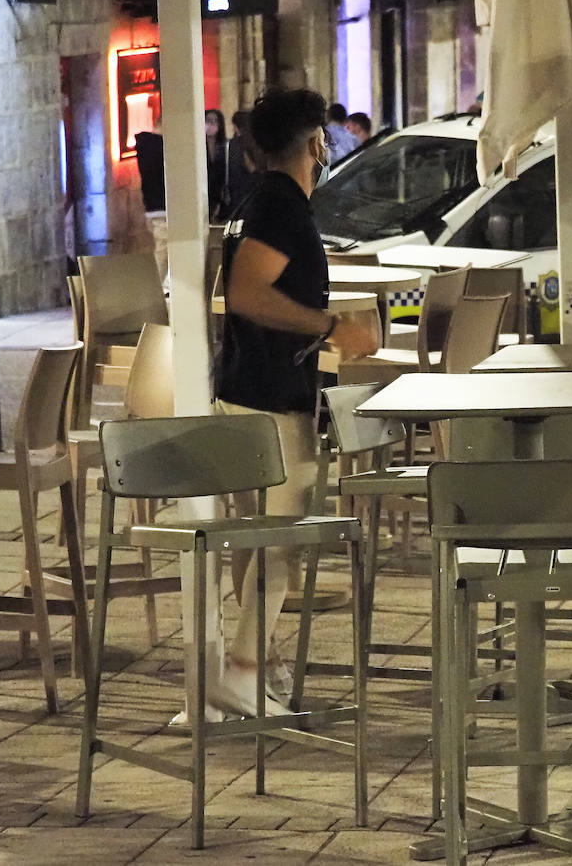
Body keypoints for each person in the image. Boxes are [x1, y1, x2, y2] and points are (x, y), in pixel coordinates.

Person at [211, 87, 379, 717]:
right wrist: (331, 326)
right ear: (314, 143)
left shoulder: (255, 201)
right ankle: (245, 669)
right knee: (281, 539)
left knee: (258, 538)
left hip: (243, 387)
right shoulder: (281, 207)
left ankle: (255, 663)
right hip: (270, 397)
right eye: (324, 139)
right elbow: (248, 293)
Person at [133, 113, 168, 286]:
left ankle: (159, 290)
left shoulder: (145, 146)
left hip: (154, 207)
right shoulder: (157, 147)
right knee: (163, 253)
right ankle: (157, 291)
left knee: (163, 251)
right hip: (162, 206)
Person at [222, 109, 259, 216]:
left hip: (236, 191)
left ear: (235, 126)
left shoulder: (233, 145)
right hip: (253, 189)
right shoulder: (256, 143)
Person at [204, 108, 228, 220]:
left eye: (215, 121)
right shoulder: (199, 146)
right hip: (202, 193)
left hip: (219, 195)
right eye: (208, 120)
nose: (211, 124)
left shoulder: (224, 147)